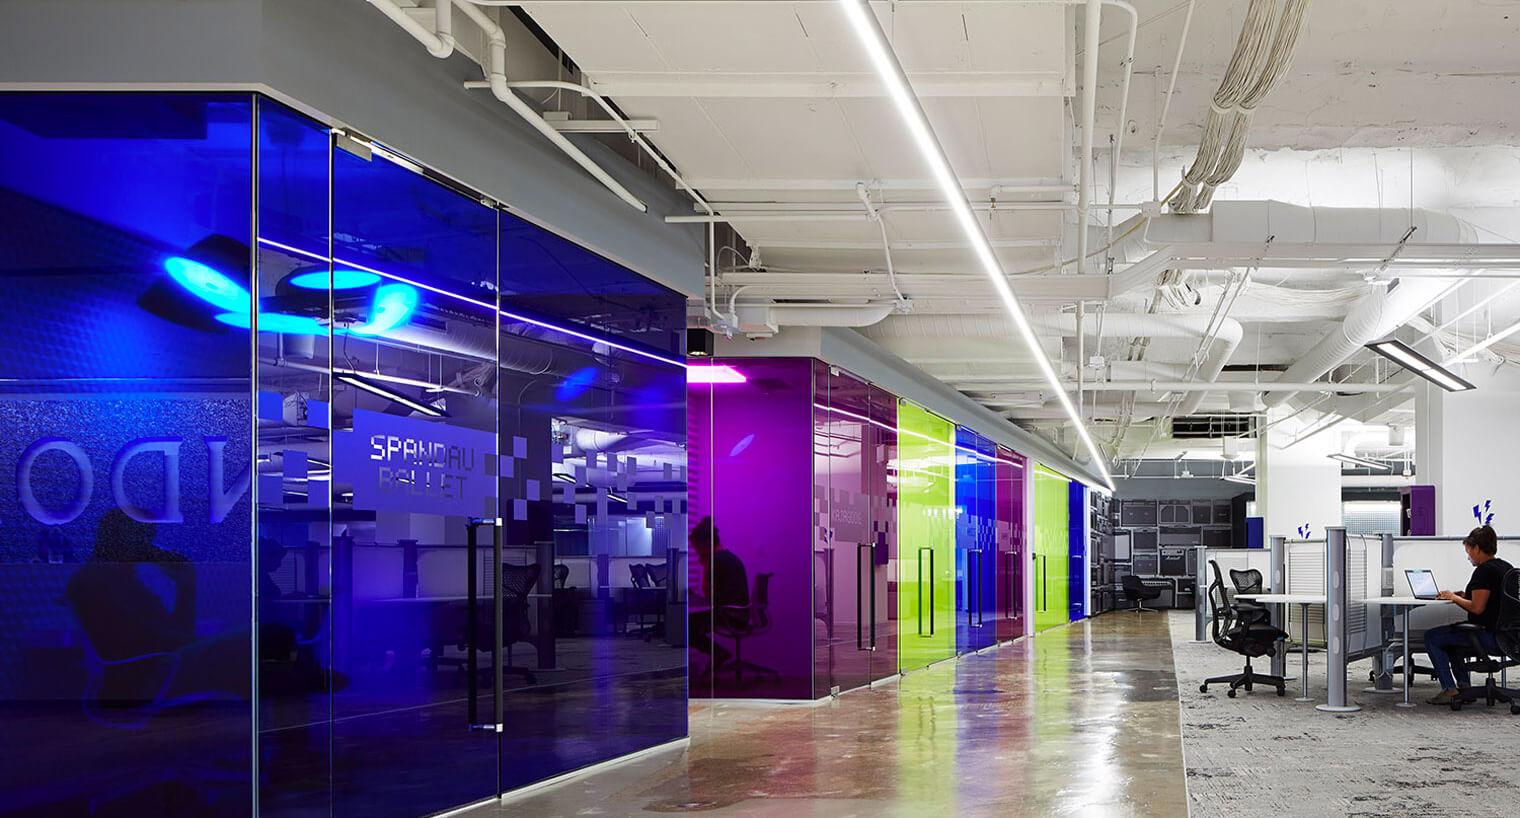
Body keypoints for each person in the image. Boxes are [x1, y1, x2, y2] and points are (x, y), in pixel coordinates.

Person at [1422, 525, 1514, 706]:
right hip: (1509, 637)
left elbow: (1477, 608)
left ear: (1477, 548)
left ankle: (1450, 690)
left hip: (1488, 636)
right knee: (1452, 642)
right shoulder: (1505, 567)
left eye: (1469, 551)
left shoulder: (1484, 571)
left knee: (1432, 637)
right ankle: (1465, 689)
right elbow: (1493, 600)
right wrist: (1465, 595)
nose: (1468, 556)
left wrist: (1453, 597)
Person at [687, 516, 748, 672]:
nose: (696, 552)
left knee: (685, 625)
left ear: (706, 544)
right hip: (737, 613)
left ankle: (718, 653)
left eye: (696, 548)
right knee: (693, 623)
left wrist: (706, 566)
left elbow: (708, 595)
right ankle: (717, 653)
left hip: (730, 615)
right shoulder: (728, 557)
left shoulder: (715, 561)